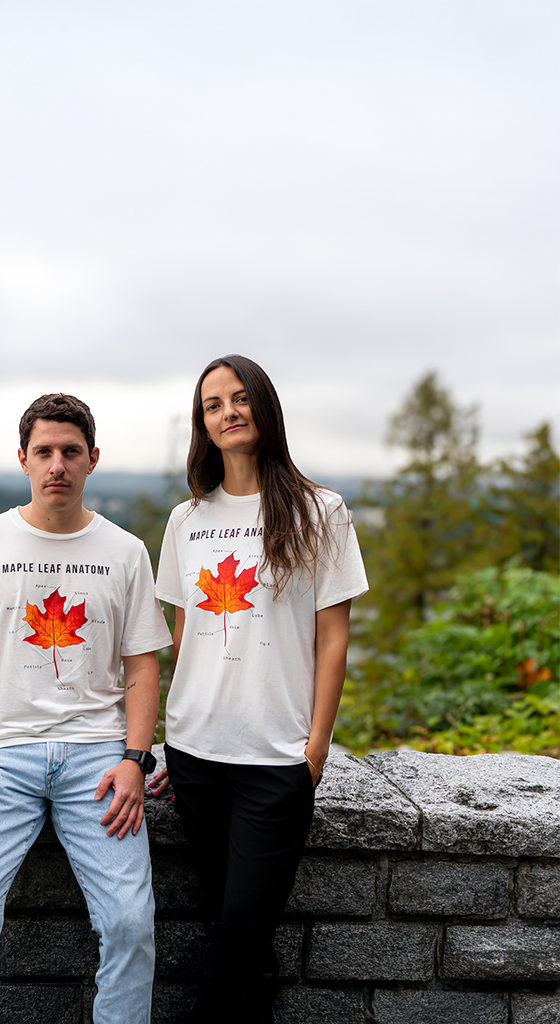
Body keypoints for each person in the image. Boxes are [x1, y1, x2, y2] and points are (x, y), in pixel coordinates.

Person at [0, 394, 172, 1024]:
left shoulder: (124, 550)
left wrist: (134, 758)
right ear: (23, 459)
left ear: (93, 459)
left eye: (71, 452)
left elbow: (142, 664)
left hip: (98, 757)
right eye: (44, 452)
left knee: (129, 921)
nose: (57, 465)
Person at [151, 356, 368, 1024]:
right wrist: (167, 736)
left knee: (242, 927)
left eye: (240, 398)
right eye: (213, 405)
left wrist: (316, 748)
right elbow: (183, 635)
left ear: (264, 408)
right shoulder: (188, 520)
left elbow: (333, 638)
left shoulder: (319, 511)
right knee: (227, 925)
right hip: (196, 752)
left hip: (275, 758)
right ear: (203, 425)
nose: (228, 412)